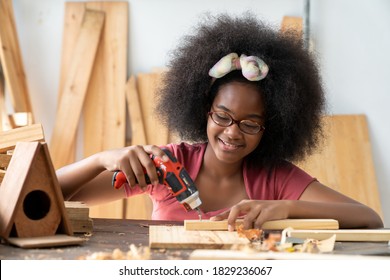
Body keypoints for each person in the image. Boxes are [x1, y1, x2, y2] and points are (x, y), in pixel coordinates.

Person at [57, 12, 383, 230]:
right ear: (204, 110)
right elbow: (53, 197)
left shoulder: (275, 179)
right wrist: (101, 159)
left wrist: (285, 208)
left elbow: (369, 219)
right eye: (223, 116)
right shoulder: (167, 166)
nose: (232, 132)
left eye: (250, 123)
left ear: (271, 127)